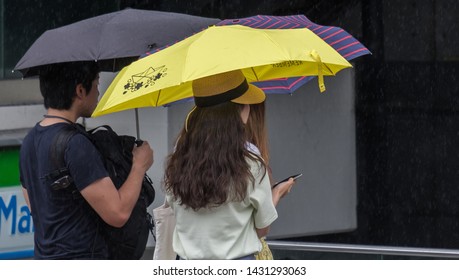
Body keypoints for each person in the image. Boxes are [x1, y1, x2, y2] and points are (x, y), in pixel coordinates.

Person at [19, 61, 154, 259]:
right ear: (80, 90)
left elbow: (36, 208)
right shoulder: (75, 145)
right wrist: (139, 166)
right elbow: (118, 214)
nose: (98, 93)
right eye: (97, 84)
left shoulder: (29, 141)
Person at [163, 69, 293, 260]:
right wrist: (277, 193)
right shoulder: (251, 162)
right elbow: (261, 228)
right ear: (237, 110)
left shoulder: (179, 159)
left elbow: (177, 213)